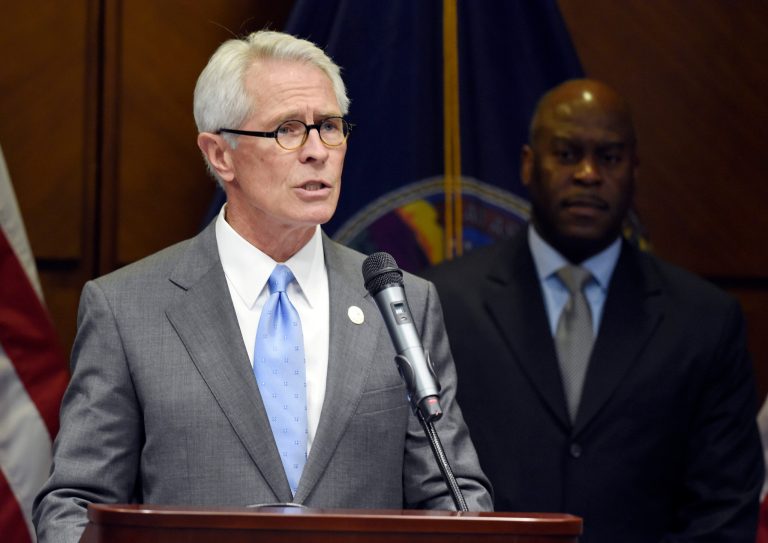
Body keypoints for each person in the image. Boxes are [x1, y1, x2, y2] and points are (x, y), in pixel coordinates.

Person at [33, 30, 492, 543]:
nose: (318, 151)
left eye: (330, 127)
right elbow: (75, 505)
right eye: (288, 130)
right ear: (220, 154)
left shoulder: (400, 301)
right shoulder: (127, 309)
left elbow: (454, 498)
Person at [423, 78, 763, 542]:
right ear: (528, 165)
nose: (587, 174)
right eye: (566, 154)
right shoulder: (443, 302)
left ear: (634, 170)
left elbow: (724, 509)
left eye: (609, 157)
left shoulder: (705, 321)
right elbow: (418, 484)